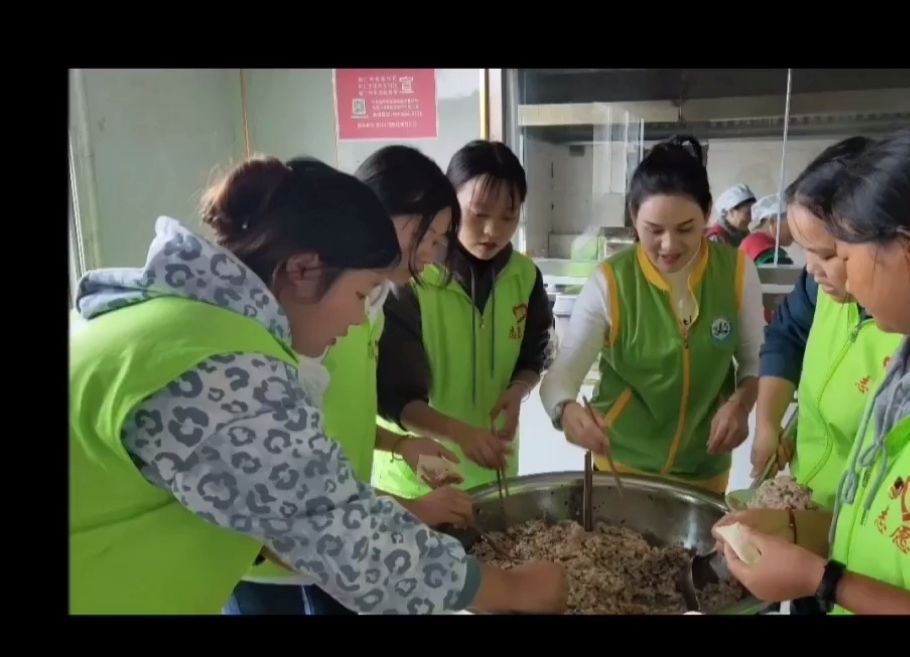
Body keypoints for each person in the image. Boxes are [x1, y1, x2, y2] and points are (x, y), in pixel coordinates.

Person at [70, 155, 566, 615]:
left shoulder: (191, 323)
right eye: (361, 293)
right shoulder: (219, 367)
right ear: (303, 271)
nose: (357, 320)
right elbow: (343, 537)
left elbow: (297, 508)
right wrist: (511, 590)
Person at [715, 124, 910, 615]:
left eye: (845, 257)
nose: (843, 283)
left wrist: (821, 580)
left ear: (909, 254)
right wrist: (798, 534)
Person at [230, 146, 472, 615]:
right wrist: (408, 512)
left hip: (341, 533)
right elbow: (280, 475)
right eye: (423, 234)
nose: (430, 256)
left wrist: (399, 445)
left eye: (439, 240)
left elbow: (341, 418)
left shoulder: (371, 305)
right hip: (273, 553)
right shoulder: (312, 315)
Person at [540, 136, 765, 495]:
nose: (669, 245)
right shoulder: (611, 282)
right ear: (633, 216)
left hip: (704, 470)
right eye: (654, 230)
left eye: (686, 229)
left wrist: (741, 405)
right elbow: (560, 376)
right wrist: (566, 410)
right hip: (621, 468)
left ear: (707, 213)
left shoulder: (736, 273)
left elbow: (756, 362)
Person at [749, 137, 904, 615]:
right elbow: (786, 337)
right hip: (808, 518)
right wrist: (769, 422)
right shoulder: (822, 288)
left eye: (828, 253)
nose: (813, 270)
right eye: (806, 252)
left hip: (870, 546)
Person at [372, 140, 554, 498]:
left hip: (496, 473)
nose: (493, 231)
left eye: (508, 217)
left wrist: (518, 391)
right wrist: (460, 434)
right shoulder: (410, 280)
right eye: (478, 213)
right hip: (420, 479)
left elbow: (535, 352)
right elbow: (394, 396)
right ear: (448, 205)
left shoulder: (524, 276)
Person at [740, 193, 794, 266]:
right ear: (772, 221)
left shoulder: (750, 240)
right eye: (791, 223)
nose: (795, 229)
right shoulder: (770, 256)